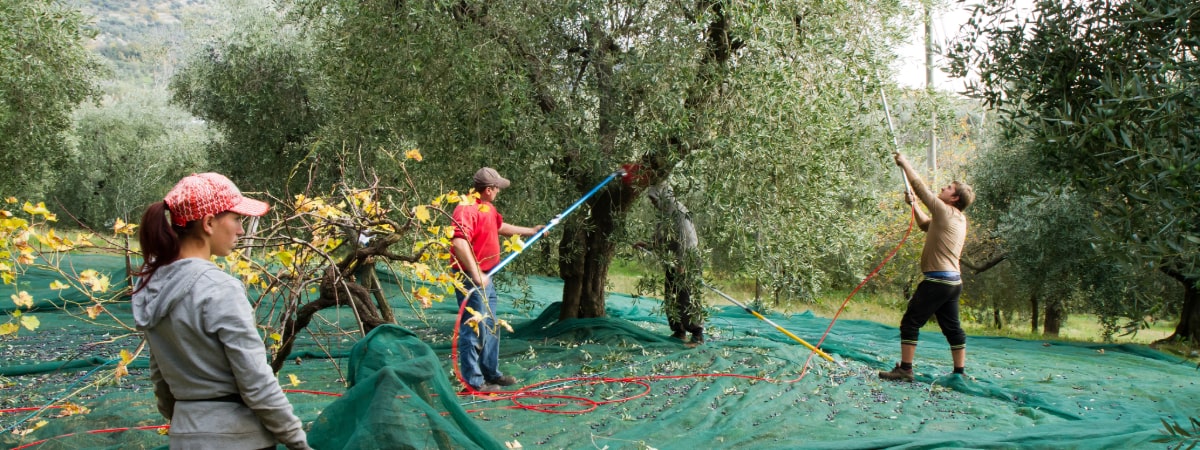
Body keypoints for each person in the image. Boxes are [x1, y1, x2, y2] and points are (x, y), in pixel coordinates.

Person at [132, 173, 311, 449]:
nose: (241, 230)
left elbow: (161, 378)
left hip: (185, 437)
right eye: (237, 219)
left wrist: (188, 423)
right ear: (208, 222)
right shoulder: (219, 288)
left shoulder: (150, 287)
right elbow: (256, 382)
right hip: (239, 439)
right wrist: (298, 442)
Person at [879, 153, 975, 382]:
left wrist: (905, 163)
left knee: (910, 323)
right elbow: (924, 225)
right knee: (953, 328)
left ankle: (905, 370)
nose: (943, 187)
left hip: (937, 281)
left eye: (949, 187)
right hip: (953, 283)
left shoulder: (944, 211)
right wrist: (913, 205)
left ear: (954, 198)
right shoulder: (956, 218)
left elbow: (920, 186)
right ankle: (959, 372)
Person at [450, 167, 543, 392]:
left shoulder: (486, 207)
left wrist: (531, 231)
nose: (499, 191)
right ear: (489, 190)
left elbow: (499, 227)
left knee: (490, 325)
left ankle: (490, 374)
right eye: (498, 188)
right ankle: (473, 382)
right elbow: (459, 243)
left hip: (486, 276)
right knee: (473, 327)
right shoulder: (465, 209)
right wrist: (476, 274)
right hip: (470, 278)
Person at [635, 182, 705, 347]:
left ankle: (697, 334)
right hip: (673, 261)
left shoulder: (679, 213)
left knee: (687, 297)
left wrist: (682, 263)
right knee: (672, 296)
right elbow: (662, 237)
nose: (652, 203)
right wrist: (647, 245)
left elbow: (685, 239)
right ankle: (679, 330)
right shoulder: (665, 213)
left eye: (653, 199)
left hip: (687, 261)